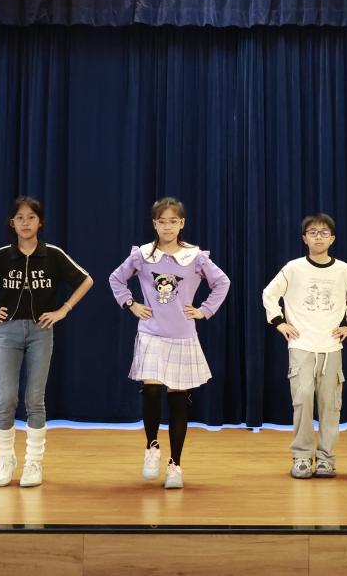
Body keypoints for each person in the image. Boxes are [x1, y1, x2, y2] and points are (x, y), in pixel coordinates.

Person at [0, 196, 93, 487]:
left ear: (41, 222)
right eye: (20, 218)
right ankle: (5, 459)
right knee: (6, 398)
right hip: (8, 332)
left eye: (31, 218)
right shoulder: (3, 255)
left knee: (35, 399)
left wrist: (63, 310)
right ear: (12, 223)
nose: (25, 223)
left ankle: (33, 462)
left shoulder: (52, 254)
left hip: (40, 331)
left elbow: (86, 280)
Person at [108, 197, 230, 489]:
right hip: (151, 332)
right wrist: (131, 304)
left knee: (178, 400)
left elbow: (222, 282)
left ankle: (175, 464)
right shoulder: (142, 255)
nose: (167, 227)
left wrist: (204, 310)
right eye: (162, 221)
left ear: (182, 223)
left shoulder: (195, 257)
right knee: (151, 390)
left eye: (173, 221)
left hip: (182, 335)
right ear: (154, 224)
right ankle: (152, 447)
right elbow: (116, 279)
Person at [262, 213, 347, 479]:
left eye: (324, 232)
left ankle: (327, 458)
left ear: (333, 238)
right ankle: (302, 457)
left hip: (331, 347)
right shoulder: (293, 268)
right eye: (313, 232)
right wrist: (279, 321)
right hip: (301, 345)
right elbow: (269, 294)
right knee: (303, 399)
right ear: (304, 238)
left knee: (331, 405)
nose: (319, 237)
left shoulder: (342, 269)